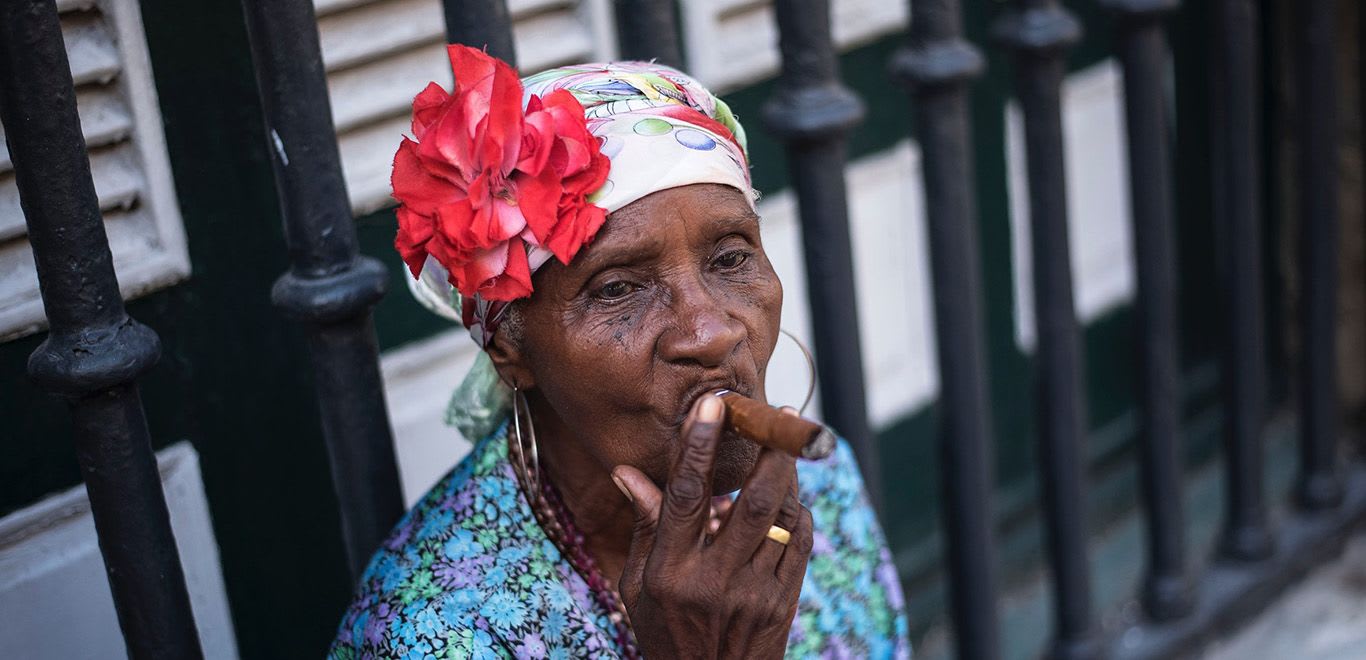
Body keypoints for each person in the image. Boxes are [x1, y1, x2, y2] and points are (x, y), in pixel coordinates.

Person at [329, 45, 909, 659]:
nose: (710, 332)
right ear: (508, 349)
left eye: (732, 257)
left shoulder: (815, 479)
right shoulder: (430, 634)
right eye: (617, 289)